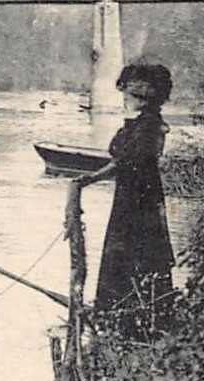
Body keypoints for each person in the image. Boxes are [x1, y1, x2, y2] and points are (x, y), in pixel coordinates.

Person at [66, 63, 175, 338]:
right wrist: (89, 179)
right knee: (125, 255)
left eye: (128, 95)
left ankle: (132, 322)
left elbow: (126, 162)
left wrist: (89, 179)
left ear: (142, 97)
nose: (124, 99)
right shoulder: (141, 126)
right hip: (133, 198)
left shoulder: (150, 128)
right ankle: (125, 321)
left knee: (133, 255)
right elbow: (121, 162)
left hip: (140, 202)